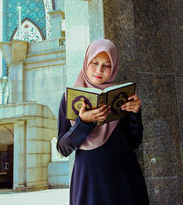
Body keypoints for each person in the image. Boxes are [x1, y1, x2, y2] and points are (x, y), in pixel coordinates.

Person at [57, 39, 149, 205]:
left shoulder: (121, 95)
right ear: (86, 61)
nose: (99, 70)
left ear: (113, 67)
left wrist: (135, 113)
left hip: (124, 177)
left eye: (106, 65)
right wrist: (83, 123)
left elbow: (134, 141)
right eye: (95, 62)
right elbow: (63, 148)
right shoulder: (69, 98)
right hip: (89, 180)